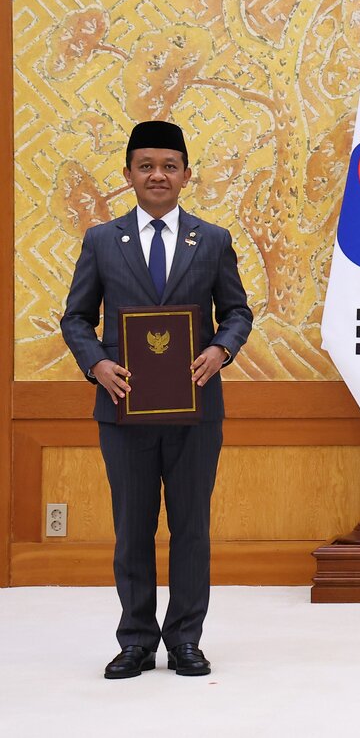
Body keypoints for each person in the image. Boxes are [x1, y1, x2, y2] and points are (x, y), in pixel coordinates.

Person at [60, 120, 253, 679]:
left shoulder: (211, 240)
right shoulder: (102, 240)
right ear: (127, 175)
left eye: (169, 165)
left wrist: (221, 351)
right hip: (123, 412)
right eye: (146, 166)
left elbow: (237, 312)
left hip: (196, 411)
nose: (158, 175)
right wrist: (96, 364)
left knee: (191, 527)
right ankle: (136, 640)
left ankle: (185, 639)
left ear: (187, 175)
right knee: (133, 528)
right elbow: (76, 317)